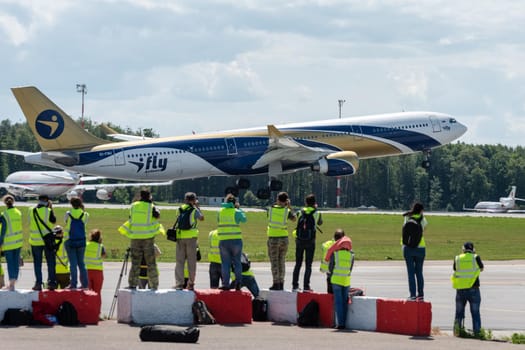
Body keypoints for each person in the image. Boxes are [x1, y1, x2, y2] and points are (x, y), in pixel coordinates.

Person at [119, 189, 164, 290]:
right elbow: (157, 216)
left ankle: (132, 284)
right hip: (147, 238)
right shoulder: (151, 207)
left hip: (135, 237)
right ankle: (154, 285)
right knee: (151, 263)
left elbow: (131, 217)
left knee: (135, 262)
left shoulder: (133, 206)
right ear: (149, 196)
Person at [451, 241, 484, 336]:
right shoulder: (475, 257)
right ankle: (477, 333)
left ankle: (457, 332)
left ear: (463, 249)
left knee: (459, 313)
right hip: (473, 288)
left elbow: (455, 269)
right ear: (473, 250)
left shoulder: (457, 258)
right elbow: (481, 268)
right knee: (475, 313)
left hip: (460, 289)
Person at [292, 194, 322, 292]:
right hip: (310, 241)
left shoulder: (300, 212)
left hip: (299, 240)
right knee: (308, 265)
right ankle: (306, 286)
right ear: (314, 203)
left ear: (306, 202)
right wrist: (315, 209)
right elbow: (320, 223)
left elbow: (294, 219)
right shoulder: (317, 213)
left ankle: (295, 285)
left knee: (298, 264)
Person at [266, 191, 296, 290]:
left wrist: (278, 204)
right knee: (281, 261)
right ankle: (281, 283)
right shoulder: (286, 211)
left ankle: (276, 283)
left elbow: (271, 211)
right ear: (286, 201)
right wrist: (289, 206)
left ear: (277, 200)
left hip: (273, 238)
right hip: (284, 238)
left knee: (274, 261)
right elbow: (294, 218)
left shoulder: (270, 210)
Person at [325, 229, 354, 330]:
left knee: (338, 302)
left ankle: (340, 323)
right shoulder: (351, 254)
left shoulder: (335, 254)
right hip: (346, 280)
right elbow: (350, 268)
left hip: (336, 280)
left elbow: (330, 268)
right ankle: (344, 323)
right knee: (345, 302)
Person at [174, 192, 204, 290]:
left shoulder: (180, 209)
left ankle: (179, 283)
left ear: (185, 199)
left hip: (180, 237)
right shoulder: (194, 210)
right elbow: (202, 218)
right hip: (191, 238)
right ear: (194, 200)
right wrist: (198, 207)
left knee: (179, 262)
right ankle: (191, 283)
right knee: (191, 262)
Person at [217, 194, 247, 290]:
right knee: (237, 262)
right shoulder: (236, 211)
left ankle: (225, 284)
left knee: (225, 263)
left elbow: (218, 221)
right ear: (234, 203)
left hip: (224, 240)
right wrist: (239, 209)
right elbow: (244, 219)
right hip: (236, 240)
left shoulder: (220, 212)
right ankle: (238, 283)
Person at [29, 194, 58, 291]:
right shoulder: (48, 211)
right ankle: (52, 283)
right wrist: (50, 208)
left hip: (35, 241)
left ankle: (38, 283)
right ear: (47, 201)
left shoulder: (31, 210)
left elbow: (30, 222)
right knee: (51, 262)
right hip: (47, 241)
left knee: (37, 263)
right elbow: (53, 221)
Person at [402, 202, 427, 301]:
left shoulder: (407, 218)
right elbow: (424, 229)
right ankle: (420, 295)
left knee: (411, 273)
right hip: (421, 248)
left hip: (408, 248)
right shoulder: (423, 219)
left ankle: (412, 295)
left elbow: (404, 231)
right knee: (419, 272)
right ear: (421, 210)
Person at [64, 197, 89, 289]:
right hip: (81, 240)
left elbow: (65, 222)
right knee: (81, 263)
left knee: (73, 264)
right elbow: (85, 223)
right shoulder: (85, 214)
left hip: (70, 240)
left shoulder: (68, 214)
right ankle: (85, 284)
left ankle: (73, 283)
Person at [0, 195, 23, 291]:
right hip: (18, 241)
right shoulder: (18, 212)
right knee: (16, 263)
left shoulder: (4, 215)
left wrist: (0, 242)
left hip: (9, 243)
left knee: (10, 264)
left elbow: (4, 230)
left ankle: (11, 285)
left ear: (5, 203)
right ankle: (13, 283)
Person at [85, 229, 107, 296]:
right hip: (98, 271)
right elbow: (104, 256)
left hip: (86, 271)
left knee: (87, 293)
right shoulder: (101, 246)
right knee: (97, 293)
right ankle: (97, 306)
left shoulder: (85, 245)